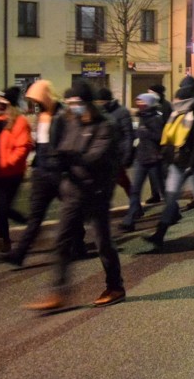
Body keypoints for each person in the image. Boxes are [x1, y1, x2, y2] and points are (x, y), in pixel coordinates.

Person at [25, 82, 125, 310]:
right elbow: (61, 148)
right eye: (69, 104)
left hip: (97, 192)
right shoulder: (72, 122)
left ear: (88, 102)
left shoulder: (106, 125)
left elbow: (93, 157)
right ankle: (58, 293)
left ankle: (115, 286)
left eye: (77, 103)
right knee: (62, 240)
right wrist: (56, 160)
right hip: (74, 190)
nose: (73, 108)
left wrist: (66, 156)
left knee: (103, 243)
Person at [4, 80, 79, 267]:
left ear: (46, 95)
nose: (35, 104)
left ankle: (78, 246)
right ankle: (19, 254)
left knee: (72, 212)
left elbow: (69, 143)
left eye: (37, 99)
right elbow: (41, 144)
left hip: (60, 173)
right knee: (36, 217)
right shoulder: (41, 115)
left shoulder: (63, 114)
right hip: (42, 173)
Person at [146, 76, 194, 249]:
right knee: (170, 197)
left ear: (184, 99)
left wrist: (191, 166)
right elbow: (170, 140)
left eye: (177, 98)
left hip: (192, 165)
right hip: (176, 164)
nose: (174, 100)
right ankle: (159, 234)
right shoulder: (175, 115)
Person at [0, 87, 33, 253]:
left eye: (4, 103)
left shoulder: (20, 122)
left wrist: (7, 163)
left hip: (12, 173)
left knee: (4, 207)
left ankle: (29, 222)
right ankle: (4, 241)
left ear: (11, 105)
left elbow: (23, 147)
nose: (0, 105)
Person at [119, 93, 166, 232]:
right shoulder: (142, 117)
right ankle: (130, 220)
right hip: (141, 158)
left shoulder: (156, 118)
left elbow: (160, 137)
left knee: (162, 189)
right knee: (135, 190)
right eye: (137, 101)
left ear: (149, 103)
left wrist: (144, 133)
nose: (139, 104)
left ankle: (174, 211)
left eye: (141, 101)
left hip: (154, 159)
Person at [95, 88, 134, 196]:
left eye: (100, 102)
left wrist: (127, 155)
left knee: (123, 181)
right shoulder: (99, 112)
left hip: (117, 155)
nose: (98, 104)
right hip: (102, 155)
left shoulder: (121, 112)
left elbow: (128, 135)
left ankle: (135, 206)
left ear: (107, 101)